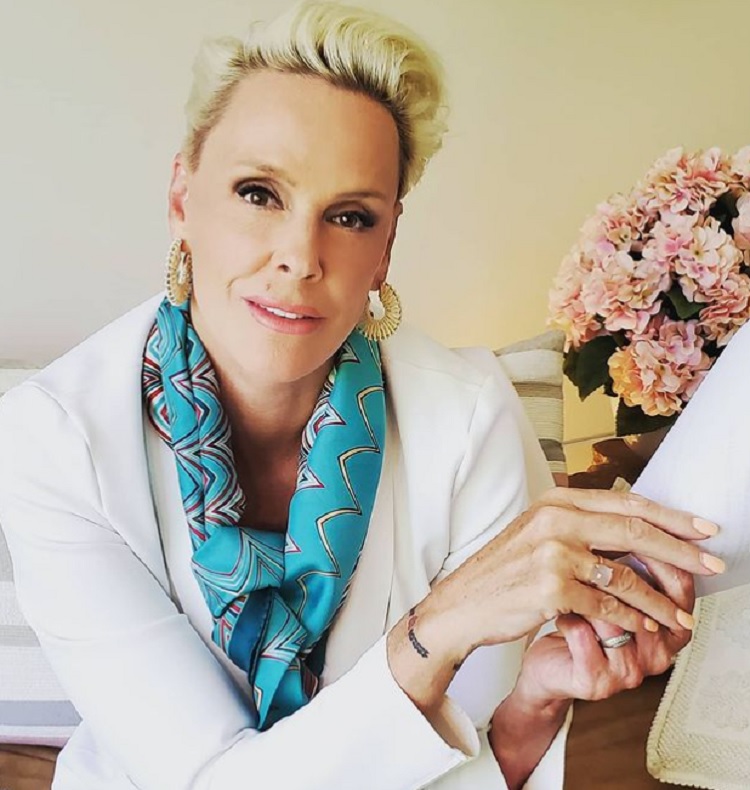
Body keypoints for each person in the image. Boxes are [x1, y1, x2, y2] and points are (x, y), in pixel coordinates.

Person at [0, 2, 725, 788]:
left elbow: (465, 761)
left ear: (385, 247)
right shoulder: (54, 440)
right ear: (182, 198)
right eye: (258, 193)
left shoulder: (469, 417)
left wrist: (535, 702)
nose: (300, 257)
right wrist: (436, 630)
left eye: (349, 216)